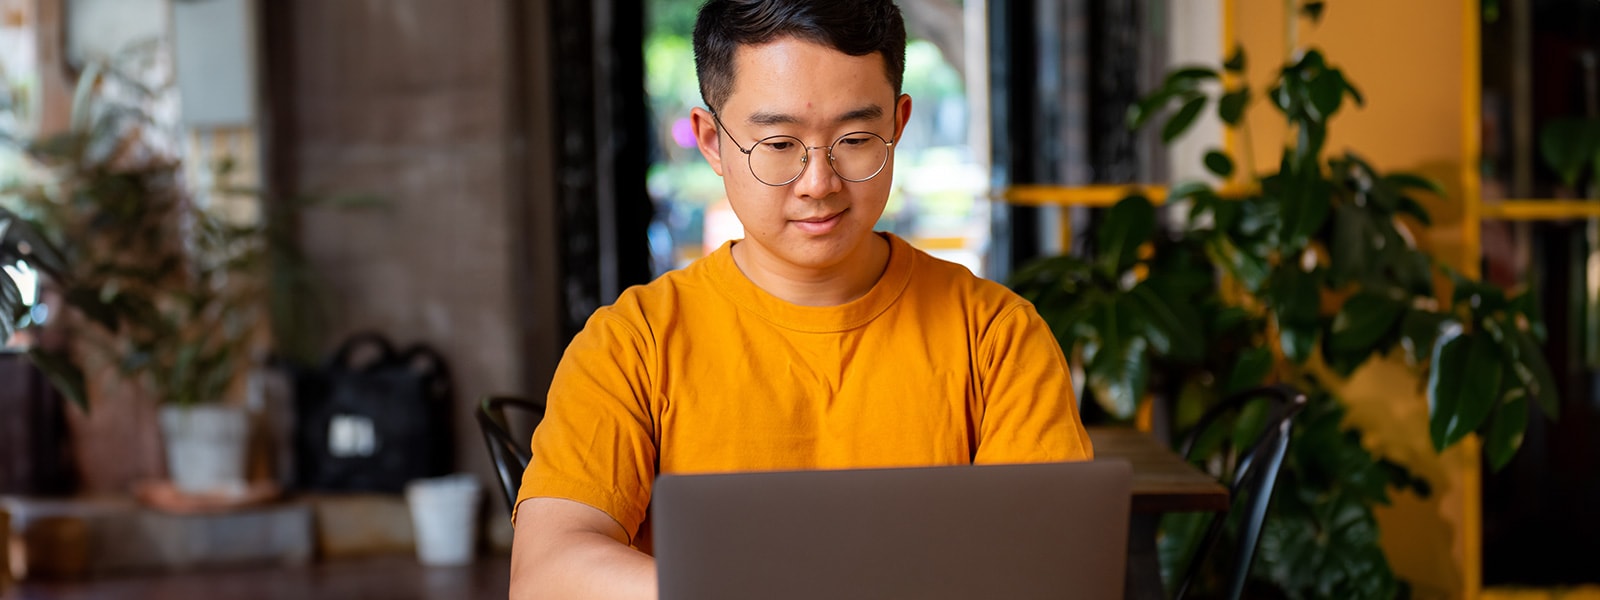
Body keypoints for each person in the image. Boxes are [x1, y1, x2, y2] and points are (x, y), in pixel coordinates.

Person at [510, 1, 1092, 598]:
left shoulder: (996, 336)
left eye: (857, 138)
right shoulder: (635, 342)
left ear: (897, 124)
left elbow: (1045, 567)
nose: (820, 182)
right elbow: (548, 572)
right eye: (781, 144)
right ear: (712, 141)